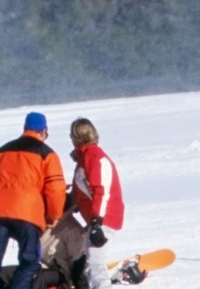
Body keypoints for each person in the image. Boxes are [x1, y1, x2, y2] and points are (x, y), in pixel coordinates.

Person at [0, 112, 66, 289]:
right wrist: (53, 215)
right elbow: (56, 189)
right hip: (27, 214)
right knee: (29, 263)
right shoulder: (47, 154)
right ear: (43, 131)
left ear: (25, 129)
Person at [41, 118, 125, 289]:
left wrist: (97, 223)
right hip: (95, 220)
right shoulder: (84, 159)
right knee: (89, 263)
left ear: (76, 137)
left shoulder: (97, 159)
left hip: (104, 220)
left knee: (95, 264)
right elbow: (81, 193)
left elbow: (102, 191)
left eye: (72, 136)